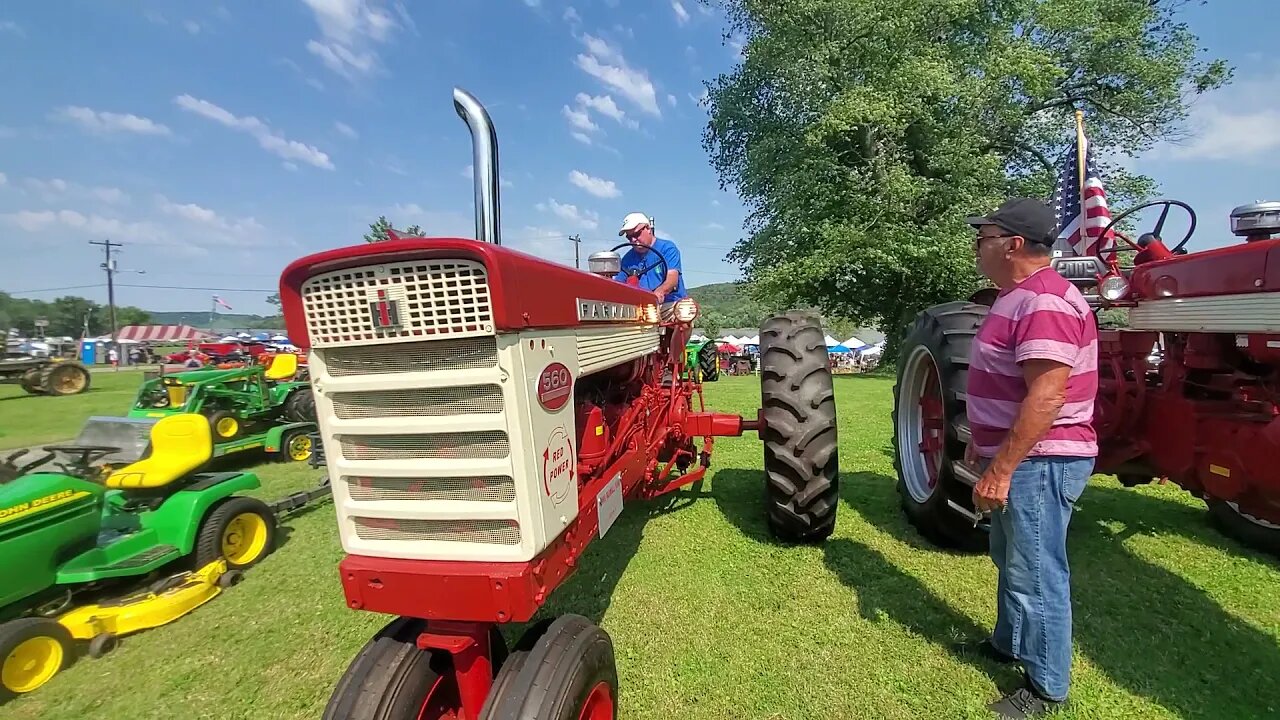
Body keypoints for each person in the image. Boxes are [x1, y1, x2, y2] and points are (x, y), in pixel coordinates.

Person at [962, 197, 1099, 719]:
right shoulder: (1015, 297)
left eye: (984, 238)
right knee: (1011, 559)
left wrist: (1002, 467)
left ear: (1013, 245)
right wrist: (986, 438)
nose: (978, 248)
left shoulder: (1043, 301)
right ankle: (1009, 644)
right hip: (1020, 455)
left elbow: (1046, 397)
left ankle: (1045, 688)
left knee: (1038, 573)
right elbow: (1011, 385)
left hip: (1041, 460)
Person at [614, 212, 687, 304]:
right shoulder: (627, 260)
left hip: (669, 304)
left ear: (648, 228)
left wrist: (660, 292)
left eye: (636, 234)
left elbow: (672, 280)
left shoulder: (668, 249)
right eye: (629, 237)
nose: (633, 240)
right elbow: (619, 285)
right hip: (641, 307)